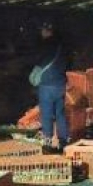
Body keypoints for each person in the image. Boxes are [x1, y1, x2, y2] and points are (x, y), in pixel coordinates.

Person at [33, 21, 69, 149]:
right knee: (60, 113)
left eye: (42, 30)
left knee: (47, 114)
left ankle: (47, 142)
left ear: (46, 31)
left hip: (47, 85)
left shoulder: (44, 46)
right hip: (60, 84)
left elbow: (38, 61)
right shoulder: (62, 46)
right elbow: (68, 63)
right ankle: (63, 141)